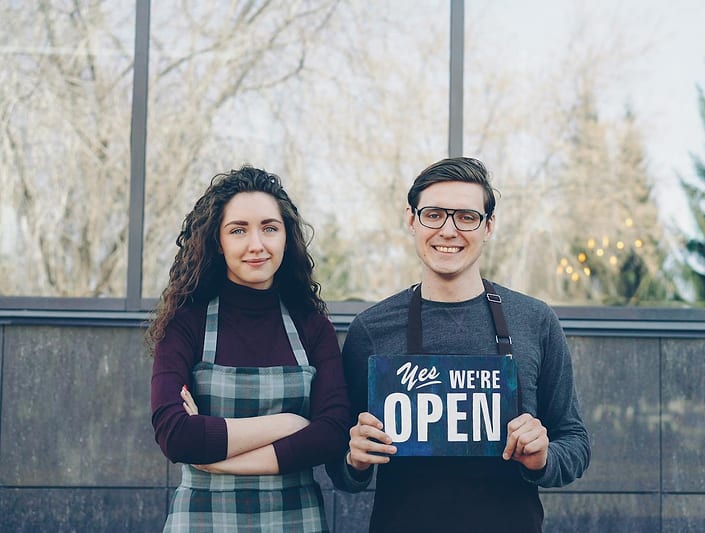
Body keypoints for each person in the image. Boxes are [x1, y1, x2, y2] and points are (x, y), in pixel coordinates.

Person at [327, 157, 590, 532]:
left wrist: (544, 457)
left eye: (466, 217)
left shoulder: (534, 321)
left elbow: (575, 441)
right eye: (434, 214)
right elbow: (339, 465)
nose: (448, 231)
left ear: (489, 226)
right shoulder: (371, 329)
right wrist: (354, 458)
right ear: (411, 220)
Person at [148, 165, 350, 532]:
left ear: (286, 238)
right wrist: (289, 424)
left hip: (295, 520)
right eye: (238, 230)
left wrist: (220, 459)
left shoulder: (311, 324)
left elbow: (333, 434)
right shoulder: (186, 322)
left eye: (269, 228)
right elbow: (176, 435)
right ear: (217, 241)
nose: (256, 244)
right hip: (201, 521)